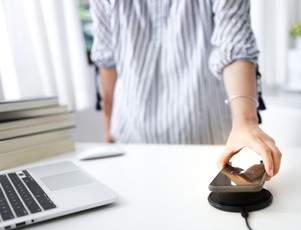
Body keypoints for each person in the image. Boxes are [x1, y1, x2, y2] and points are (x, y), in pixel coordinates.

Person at [90, 0, 281, 179]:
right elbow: (107, 59)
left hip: (206, 147)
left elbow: (234, 45)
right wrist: (108, 128)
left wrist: (245, 120)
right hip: (131, 142)